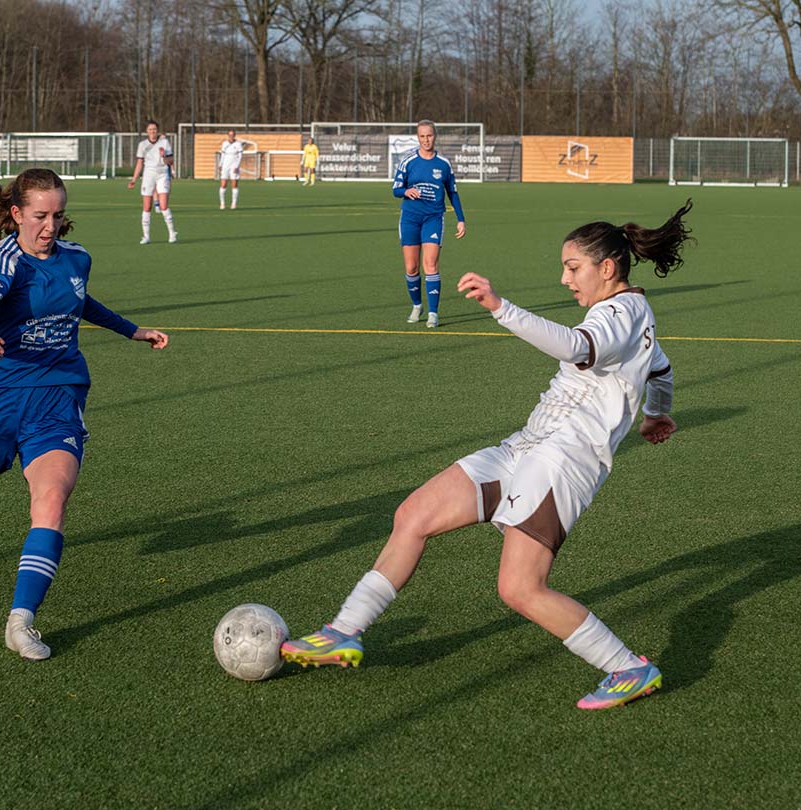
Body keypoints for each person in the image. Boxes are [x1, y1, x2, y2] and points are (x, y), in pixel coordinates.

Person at [282, 202, 692, 710]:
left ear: (606, 268)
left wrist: (501, 307)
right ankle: (343, 632)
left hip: (564, 461)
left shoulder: (619, 313)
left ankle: (628, 667)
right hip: (526, 446)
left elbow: (576, 347)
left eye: (573, 268)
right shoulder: (632, 315)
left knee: (521, 588)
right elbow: (661, 367)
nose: (565, 279)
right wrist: (656, 414)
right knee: (414, 516)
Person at [0, 168, 169, 660]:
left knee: (51, 501)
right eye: (41, 216)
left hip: (56, 397)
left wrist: (131, 330)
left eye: (58, 215)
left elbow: (79, 300)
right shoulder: (2, 264)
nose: (51, 226)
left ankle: (21, 620)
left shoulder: (77, 257)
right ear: (17, 213)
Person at [393, 120, 465, 329]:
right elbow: (396, 189)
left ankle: (433, 312)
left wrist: (460, 219)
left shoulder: (443, 163)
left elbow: (453, 192)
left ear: (435, 136)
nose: (426, 140)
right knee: (411, 267)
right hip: (410, 218)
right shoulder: (408, 161)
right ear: (418, 138)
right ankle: (417, 306)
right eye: (422, 136)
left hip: (433, 218)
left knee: (431, 264)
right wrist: (406, 191)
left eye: (429, 135)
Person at [127, 120, 177, 244]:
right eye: (150, 129)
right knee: (147, 206)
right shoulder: (142, 145)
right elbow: (139, 163)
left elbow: (170, 161)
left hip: (162, 174)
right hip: (148, 175)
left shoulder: (164, 142)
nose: (152, 131)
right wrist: (134, 179)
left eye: (154, 129)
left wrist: (164, 156)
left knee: (163, 205)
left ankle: (172, 233)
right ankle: (146, 236)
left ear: (157, 130)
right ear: (147, 131)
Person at [218, 129, 251, 210]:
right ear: (228, 135)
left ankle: (233, 204)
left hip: (234, 166)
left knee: (234, 184)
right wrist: (220, 164)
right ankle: (222, 203)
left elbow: (240, 156)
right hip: (225, 166)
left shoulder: (238, 144)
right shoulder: (224, 143)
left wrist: (237, 166)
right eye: (230, 135)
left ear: (234, 135)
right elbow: (223, 155)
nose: (231, 136)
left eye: (232, 135)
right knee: (223, 184)